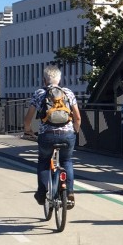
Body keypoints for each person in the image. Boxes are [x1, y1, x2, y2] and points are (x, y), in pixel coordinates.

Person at [22, 66, 82, 207]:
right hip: (67, 135)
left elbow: (27, 119)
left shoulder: (39, 93)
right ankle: (70, 193)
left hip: (47, 135)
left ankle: (42, 194)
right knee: (66, 160)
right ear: (60, 79)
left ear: (44, 80)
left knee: (44, 161)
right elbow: (78, 118)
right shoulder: (68, 92)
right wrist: (74, 132)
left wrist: (28, 130)